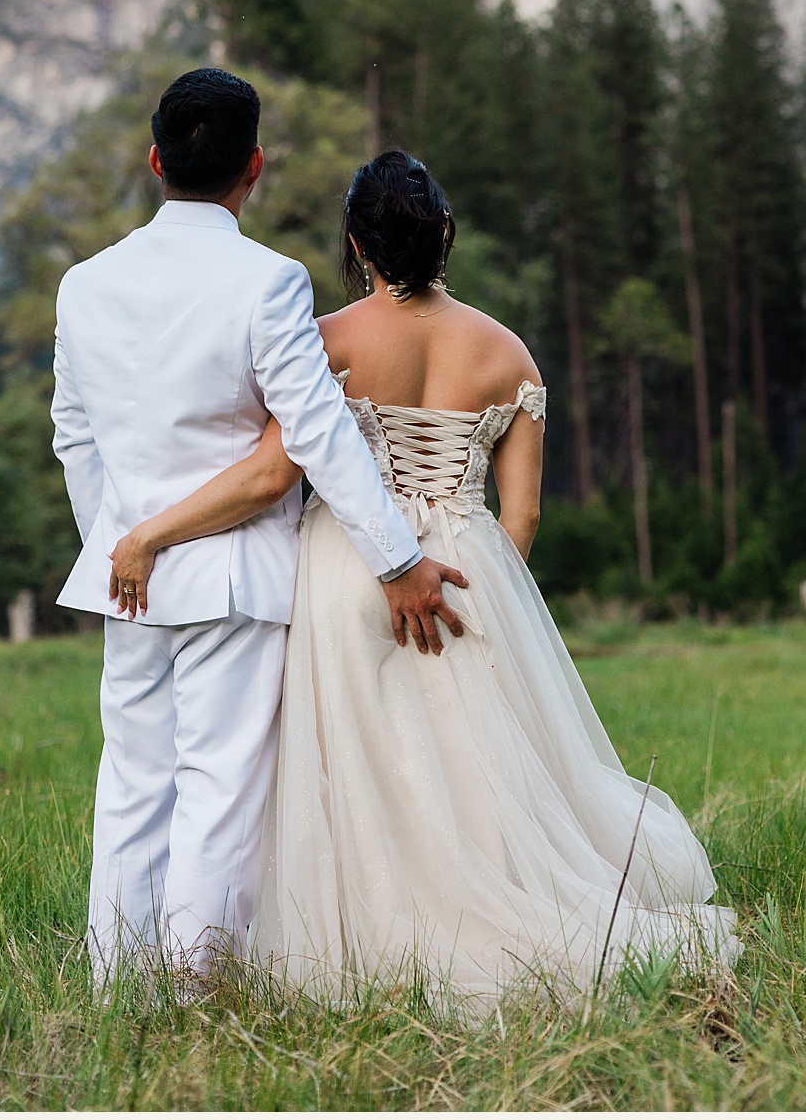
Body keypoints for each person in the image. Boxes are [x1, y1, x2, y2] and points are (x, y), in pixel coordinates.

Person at [108, 147, 739, 1009]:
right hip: (466, 576)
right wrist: (487, 595)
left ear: (357, 245)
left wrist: (150, 532)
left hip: (347, 571)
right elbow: (524, 516)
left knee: (353, 761)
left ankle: (353, 939)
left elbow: (273, 473)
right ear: (445, 232)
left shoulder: (325, 341)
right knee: (474, 766)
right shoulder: (508, 354)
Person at [50, 68, 464, 988]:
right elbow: (312, 431)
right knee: (219, 794)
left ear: (156, 159)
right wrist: (397, 556)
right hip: (235, 579)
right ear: (256, 168)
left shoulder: (84, 284)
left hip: (132, 577)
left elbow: (72, 435)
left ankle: (120, 989)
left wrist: (122, 548)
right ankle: (192, 988)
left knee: (130, 787)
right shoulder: (269, 281)